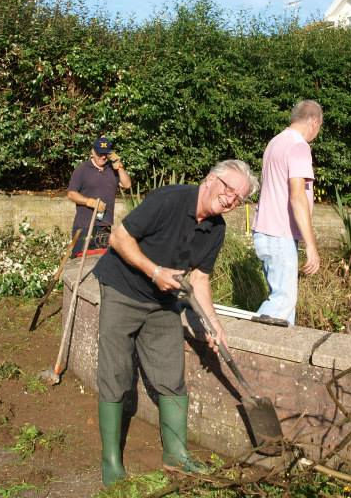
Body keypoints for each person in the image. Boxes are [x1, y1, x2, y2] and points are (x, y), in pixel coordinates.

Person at [92, 159, 258, 485]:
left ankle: (176, 455)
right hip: (123, 290)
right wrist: (154, 271)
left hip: (163, 303)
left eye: (239, 198)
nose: (230, 199)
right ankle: (111, 460)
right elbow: (119, 238)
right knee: (116, 373)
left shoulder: (216, 230)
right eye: (228, 189)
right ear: (210, 179)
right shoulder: (169, 200)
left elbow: (200, 278)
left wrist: (213, 325)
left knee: (171, 376)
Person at [252, 100, 323, 326]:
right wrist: (311, 245)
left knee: (283, 303)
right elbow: (297, 196)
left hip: (264, 231)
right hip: (280, 234)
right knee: (281, 303)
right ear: (314, 121)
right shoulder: (299, 146)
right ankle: (246, 343)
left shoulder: (275, 142)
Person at [67, 137, 131, 254]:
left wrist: (119, 166)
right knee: (79, 259)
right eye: (100, 154)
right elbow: (71, 194)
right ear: (93, 152)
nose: (103, 157)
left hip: (104, 227)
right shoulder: (82, 169)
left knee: (99, 261)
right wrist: (89, 202)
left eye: (106, 154)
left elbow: (127, 185)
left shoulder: (112, 169)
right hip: (84, 226)